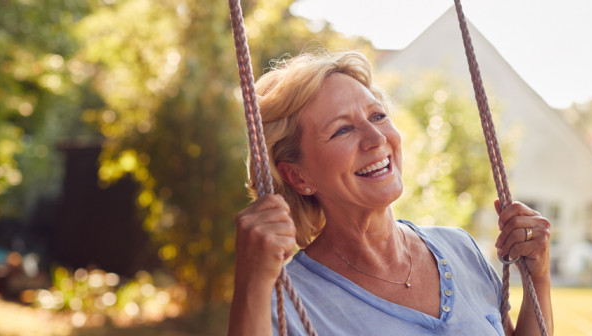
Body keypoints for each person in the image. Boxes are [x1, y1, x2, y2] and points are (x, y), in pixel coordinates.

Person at [227, 51, 553, 335]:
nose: (376, 138)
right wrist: (251, 282)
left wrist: (537, 276)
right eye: (342, 129)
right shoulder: (289, 302)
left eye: (378, 116)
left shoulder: (461, 249)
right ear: (297, 176)